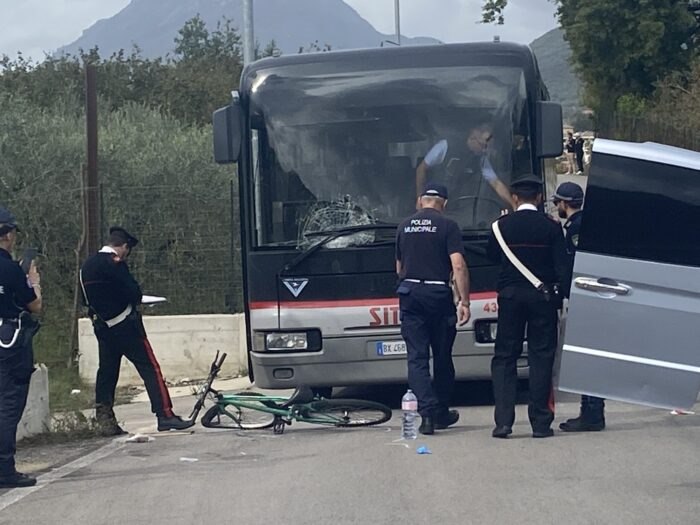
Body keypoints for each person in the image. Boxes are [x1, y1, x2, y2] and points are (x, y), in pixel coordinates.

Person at [80, 227, 193, 435]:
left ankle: (104, 420)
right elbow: (134, 292)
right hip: (126, 326)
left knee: (107, 373)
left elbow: (85, 299)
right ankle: (165, 414)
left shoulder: (87, 265)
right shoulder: (115, 264)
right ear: (123, 246)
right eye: (127, 249)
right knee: (150, 368)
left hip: (103, 327)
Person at [488, 176, 569, 439]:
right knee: (541, 356)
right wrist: (562, 297)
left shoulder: (500, 226)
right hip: (542, 298)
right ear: (539, 198)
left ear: (513, 198)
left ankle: (503, 422)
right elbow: (561, 267)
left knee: (505, 358)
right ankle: (541, 423)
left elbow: (491, 257)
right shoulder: (551, 227)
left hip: (510, 297)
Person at [396, 182, 471, 435]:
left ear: (420, 201)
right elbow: (458, 265)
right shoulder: (448, 226)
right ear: (445, 203)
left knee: (416, 358)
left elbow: (398, 268)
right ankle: (440, 412)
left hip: (410, 294)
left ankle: (426, 415)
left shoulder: (403, 226)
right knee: (441, 356)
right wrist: (464, 301)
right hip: (438, 295)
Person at [552, 182, 606, 432]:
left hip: (585, 298)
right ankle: (591, 411)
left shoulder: (577, 228)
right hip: (590, 298)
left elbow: (576, 266)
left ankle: (592, 413)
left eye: (557, 203)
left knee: (587, 359)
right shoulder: (586, 223)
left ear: (564, 203)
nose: (556, 208)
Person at [0, 207, 42, 488]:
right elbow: (35, 306)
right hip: (9, 342)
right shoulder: (11, 270)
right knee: (7, 405)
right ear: (9, 234)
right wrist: (34, 281)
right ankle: (5, 469)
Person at [415, 123, 514, 209]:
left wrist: (514, 205)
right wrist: (420, 198)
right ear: (473, 137)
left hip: (457, 204)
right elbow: (421, 169)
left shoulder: (480, 158)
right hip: (434, 202)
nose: (484, 151)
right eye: (483, 146)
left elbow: (496, 183)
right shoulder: (445, 146)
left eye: (487, 148)